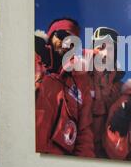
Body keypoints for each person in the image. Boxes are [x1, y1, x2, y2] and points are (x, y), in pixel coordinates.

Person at [35, 18, 94, 157]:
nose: (66, 43)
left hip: (58, 165)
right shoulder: (30, 59)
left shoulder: (80, 84)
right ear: (50, 37)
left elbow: (84, 135)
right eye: (61, 36)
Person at [88, 27, 125, 157]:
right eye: (100, 47)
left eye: (110, 49)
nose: (105, 53)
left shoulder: (121, 89)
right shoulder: (78, 79)